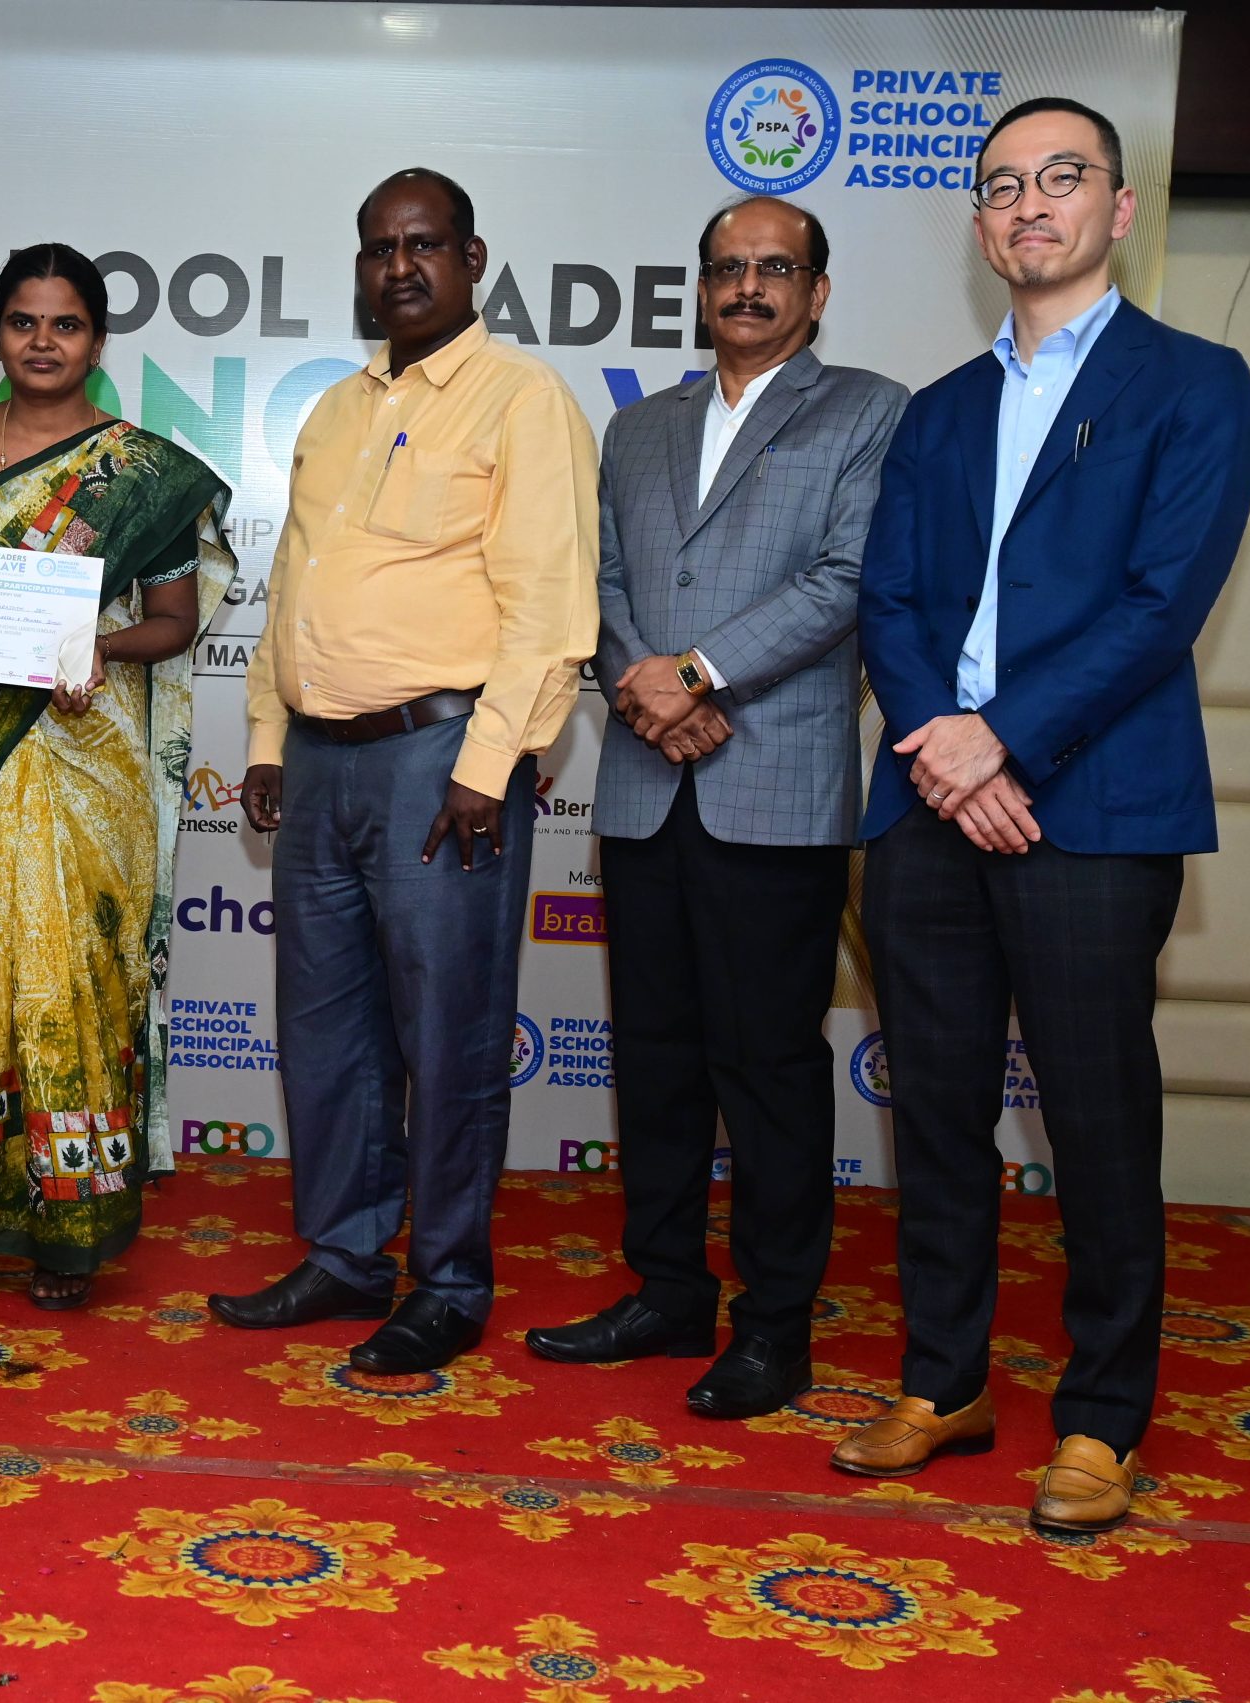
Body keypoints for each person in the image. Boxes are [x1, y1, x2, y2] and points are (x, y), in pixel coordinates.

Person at [832, 99, 1250, 1532]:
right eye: (1004, 185)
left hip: (1096, 804)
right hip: (926, 807)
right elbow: (889, 599)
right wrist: (946, 752)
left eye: (1061, 177)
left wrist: (1000, 738)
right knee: (937, 1109)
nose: (1031, 203)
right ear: (979, 225)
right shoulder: (939, 408)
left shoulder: (1195, 383)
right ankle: (944, 1381)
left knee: (1096, 1116)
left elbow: (1162, 603)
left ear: (1117, 209)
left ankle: (1101, 1418)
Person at [209, 169, 599, 1374]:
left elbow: (549, 607)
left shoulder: (521, 398)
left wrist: (489, 764)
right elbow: (292, 587)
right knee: (324, 1031)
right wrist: (266, 736)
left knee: (450, 1032)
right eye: (379, 247)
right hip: (319, 759)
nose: (399, 266)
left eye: (423, 244)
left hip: (444, 759)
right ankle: (342, 1254)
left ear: (471, 259)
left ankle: (448, 1279)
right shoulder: (336, 409)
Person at [523, 198, 906, 1420]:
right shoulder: (639, 427)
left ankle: (776, 1323)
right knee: (655, 1058)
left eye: (775, 268)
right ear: (700, 288)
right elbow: (600, 582)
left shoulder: (867, 411)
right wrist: (646, 691)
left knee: (770, 1065)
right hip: (646, 784)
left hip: (772, 788)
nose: (749, 286)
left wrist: (693, 674)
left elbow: (845, 579)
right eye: (728, 267)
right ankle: (667, 1289)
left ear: (816, 290)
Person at [0, 243, 235, 1310]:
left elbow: (173, 620)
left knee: (73, 971)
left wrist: (94, 648)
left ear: (97, 342)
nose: (42, 342)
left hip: (83, 747)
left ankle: (71, 1228)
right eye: (23, 322)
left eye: (64, 324)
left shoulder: (143, 472)